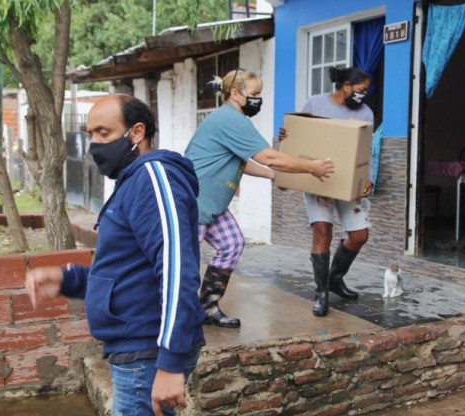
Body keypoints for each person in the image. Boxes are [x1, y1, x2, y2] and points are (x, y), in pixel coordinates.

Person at [24, 94, 205, 416]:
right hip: (136, 349)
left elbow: (177, 268)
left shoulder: (153, 177)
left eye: (104, 133)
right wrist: (68, 279)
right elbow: (128, 268)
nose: (95, 144)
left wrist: (170, 363)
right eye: (91, 134)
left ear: (136, 133)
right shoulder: (132, 181)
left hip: (147, 351)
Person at [185, 68, 335, 328]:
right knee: (183, 266)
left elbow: (246, 161)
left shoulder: (234, 119)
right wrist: (312, 167)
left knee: (231, 244)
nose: (258, 99)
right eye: (254, 94)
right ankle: (175, 319)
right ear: (235, 93)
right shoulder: (230, 119)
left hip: (212, 205)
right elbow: (269, 156)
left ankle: (207, 306)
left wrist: (273, 177)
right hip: (194, 202)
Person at [280, 67, 375, 317]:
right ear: (345, 86)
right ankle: (321, 293)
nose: (364, 95)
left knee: (359, 235)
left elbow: (368, 149)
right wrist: (285, 136)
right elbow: (297, 132)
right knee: (323, 230)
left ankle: (335, 278)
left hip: (348, 180)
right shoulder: (315, 103)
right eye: (361, 90)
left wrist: (368, 179)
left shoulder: (365, 112)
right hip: (318, 177)